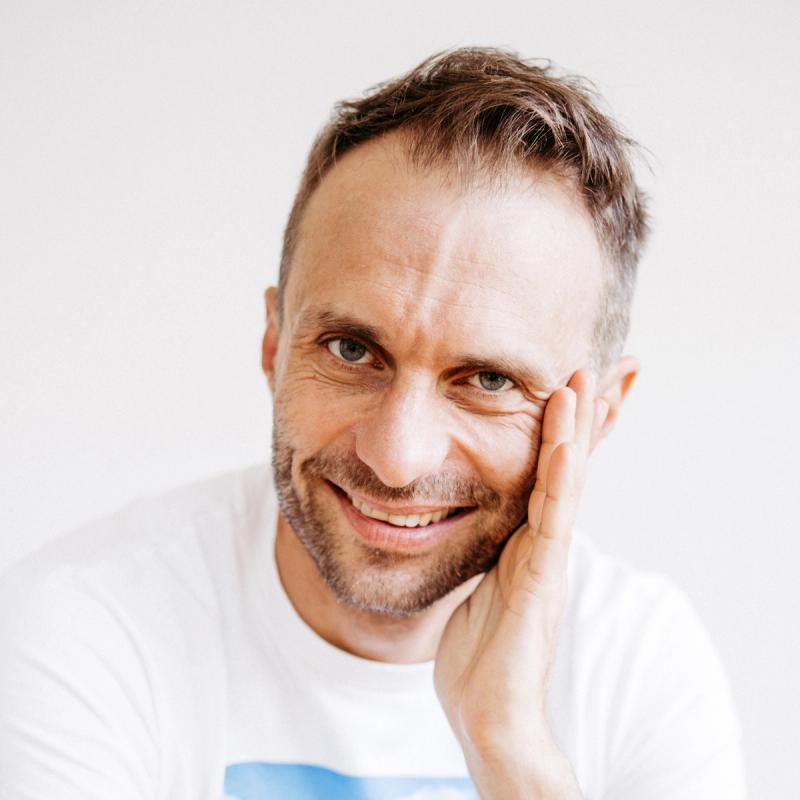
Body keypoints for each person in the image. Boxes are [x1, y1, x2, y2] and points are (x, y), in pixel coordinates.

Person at [0, 48, 746, 799]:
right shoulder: (81, 631)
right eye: (352, 350)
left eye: (488, 380)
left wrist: (510, 752)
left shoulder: (638, 666)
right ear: (274, 343)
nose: (397, 457)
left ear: (598, 415)